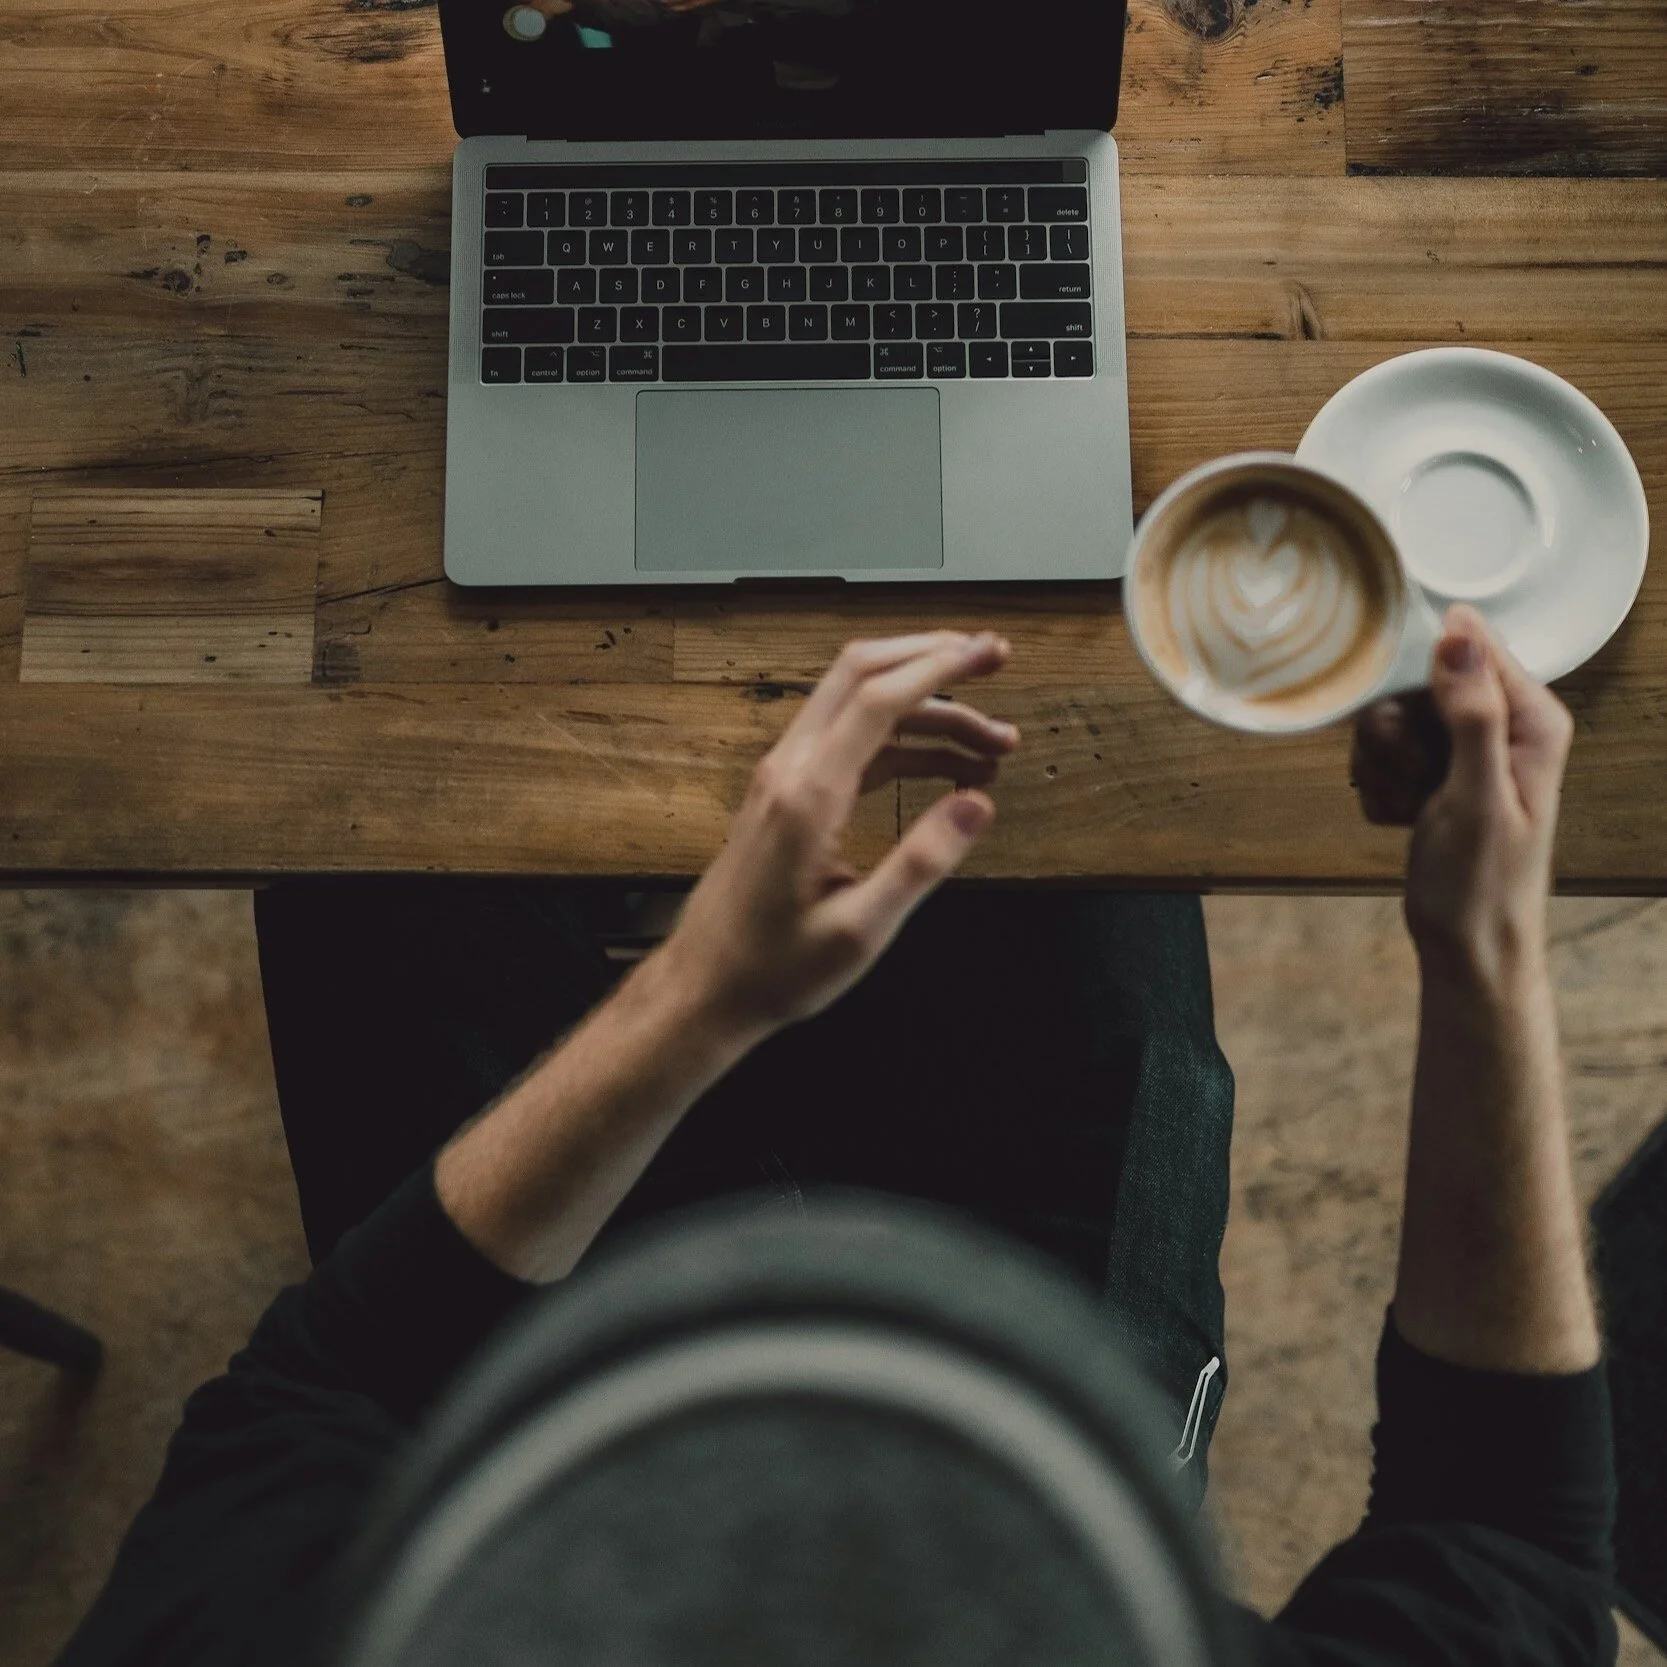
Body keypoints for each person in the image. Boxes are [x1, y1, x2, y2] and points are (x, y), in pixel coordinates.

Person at [53, 609, 1614, 1666]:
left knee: (350, 774)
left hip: (529, 1410)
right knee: (1066, 749)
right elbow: (1502, 1541)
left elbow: (330, 1384)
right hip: (1048, 1415)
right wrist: (1481, 947)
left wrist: (691, 1003)